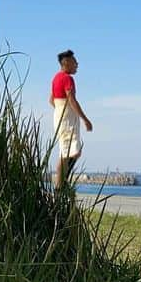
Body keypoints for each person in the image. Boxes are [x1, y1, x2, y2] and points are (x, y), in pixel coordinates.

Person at [50, 49, 92, 188]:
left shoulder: (56, 78)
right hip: (67, 120)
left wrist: (60, 110)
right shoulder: (67, 78)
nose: (77, 64)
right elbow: (72, 99)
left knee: (71, 151)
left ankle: (62, 182)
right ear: (66, 63)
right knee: (69, 151)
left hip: (61, 117)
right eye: (74, 62)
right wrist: (85, 119)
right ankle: (61, 184)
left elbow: (51, 100)